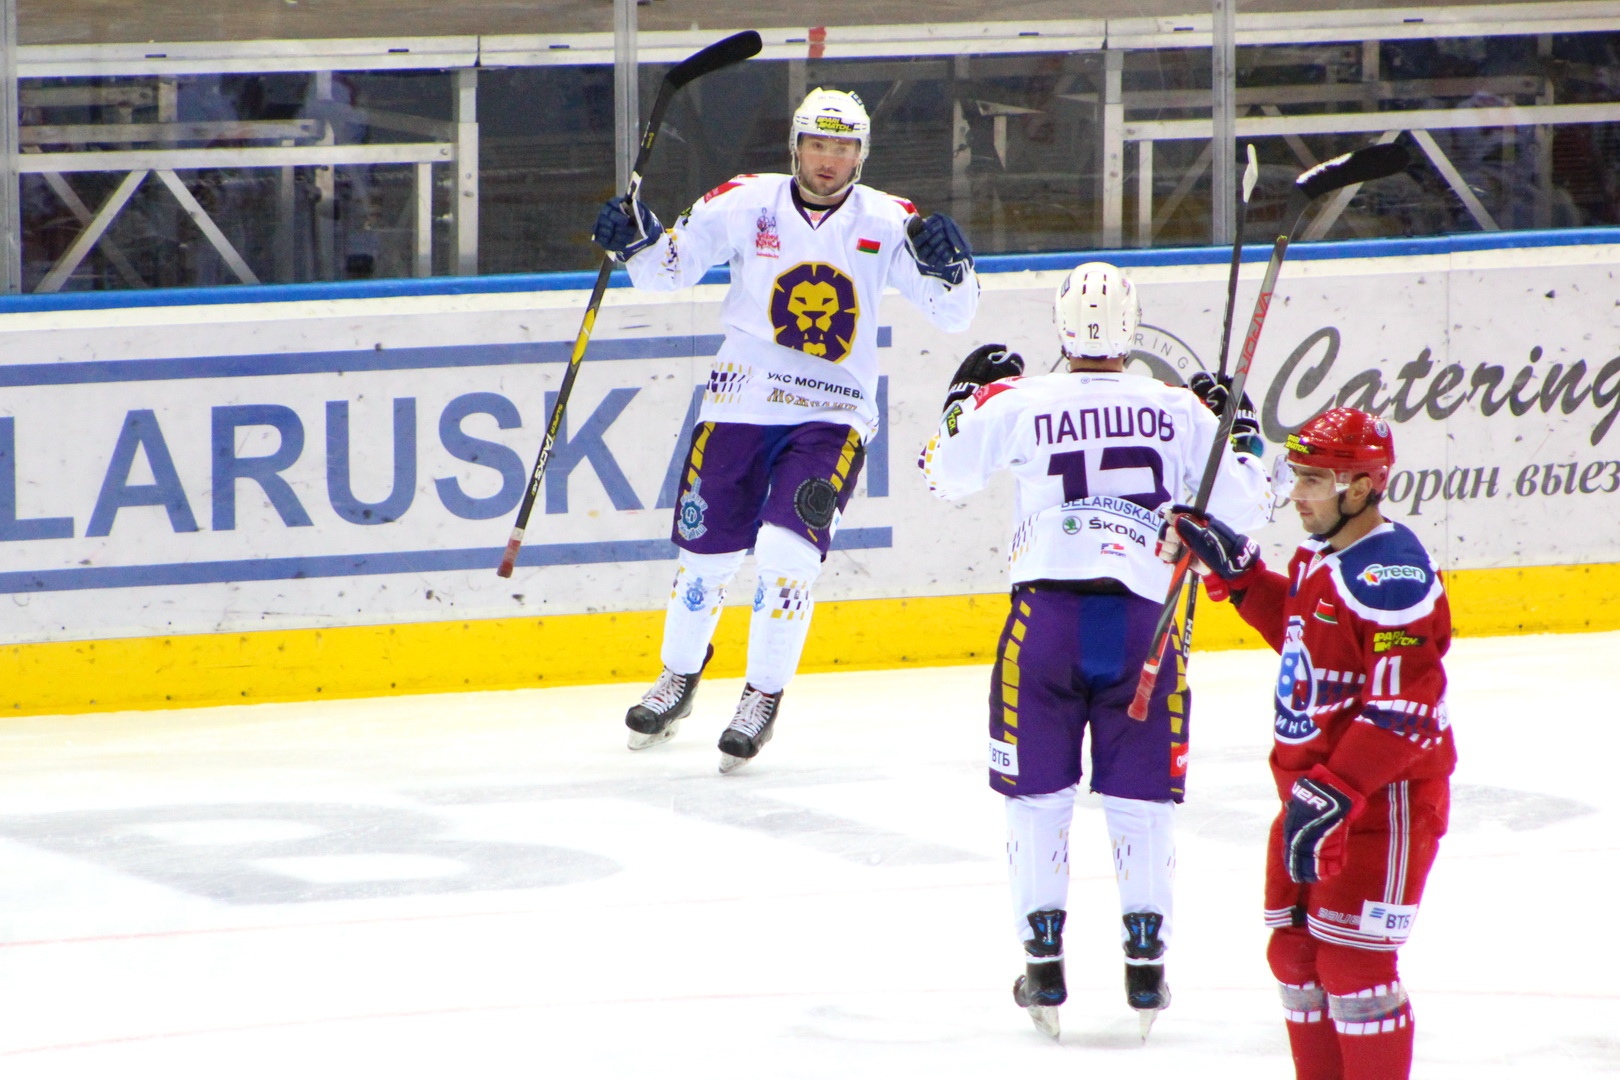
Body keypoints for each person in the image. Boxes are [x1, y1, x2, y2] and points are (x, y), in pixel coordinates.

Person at [918, 262, 1272, 1039]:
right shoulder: (1177, 407)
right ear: (1131, 328)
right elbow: (1252, 506)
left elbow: (942, 475)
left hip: (1044, 623)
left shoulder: (1021, 400)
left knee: (1036, 798)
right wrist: (1240, 430)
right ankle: (1146, 963)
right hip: (1146, 623)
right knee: (1141, 802)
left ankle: (1042, 960)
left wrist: (960, 403)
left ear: (1061, 325)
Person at [592, 88, 979, 773]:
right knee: (706, 557)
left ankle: (761, 696)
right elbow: (665, 272)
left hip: (832, 413)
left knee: (787, 552)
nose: (828, 160)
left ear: (861, 155)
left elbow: (953, 315)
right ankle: (678, 678)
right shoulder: (744, 200)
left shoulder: (891, 220)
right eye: (817, 145)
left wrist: (955, 268)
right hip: (738, 403)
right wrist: (636, 239)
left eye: (843, 148)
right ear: (794, 146)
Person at [1168, 407, 1455, 1080]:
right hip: (1315, 794)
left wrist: (1337, 791)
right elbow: (1308, 641)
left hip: (1382, 802)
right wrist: (1244, 578)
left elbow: (1408, 708)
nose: (1297, 494)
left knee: (1355, 966)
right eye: (1296, 476)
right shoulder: (1324, 554)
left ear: (1364, 487)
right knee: (1295, 956)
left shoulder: (1391, 576)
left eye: (1315, 481)